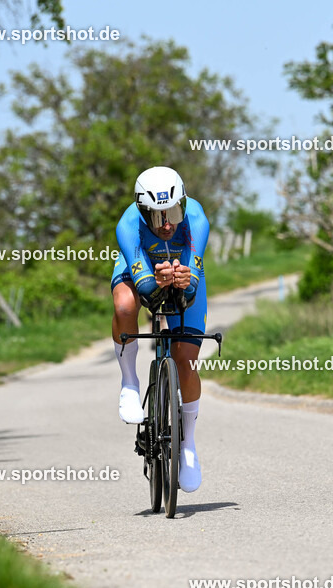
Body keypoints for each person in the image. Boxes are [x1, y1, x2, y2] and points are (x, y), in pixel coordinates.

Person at [111, 166, 209, 493]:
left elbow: (191, 289)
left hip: (182, 268)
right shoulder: (128, 225)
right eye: (156, 217)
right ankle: (129, 381)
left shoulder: (196, 219)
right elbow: (146, 292)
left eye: (174, 212)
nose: (167, 224)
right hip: (140, 267)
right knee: (125, 306)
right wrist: (158, 283)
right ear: (142, 212)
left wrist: (183, 282)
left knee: (186, 361)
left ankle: (189, 445)